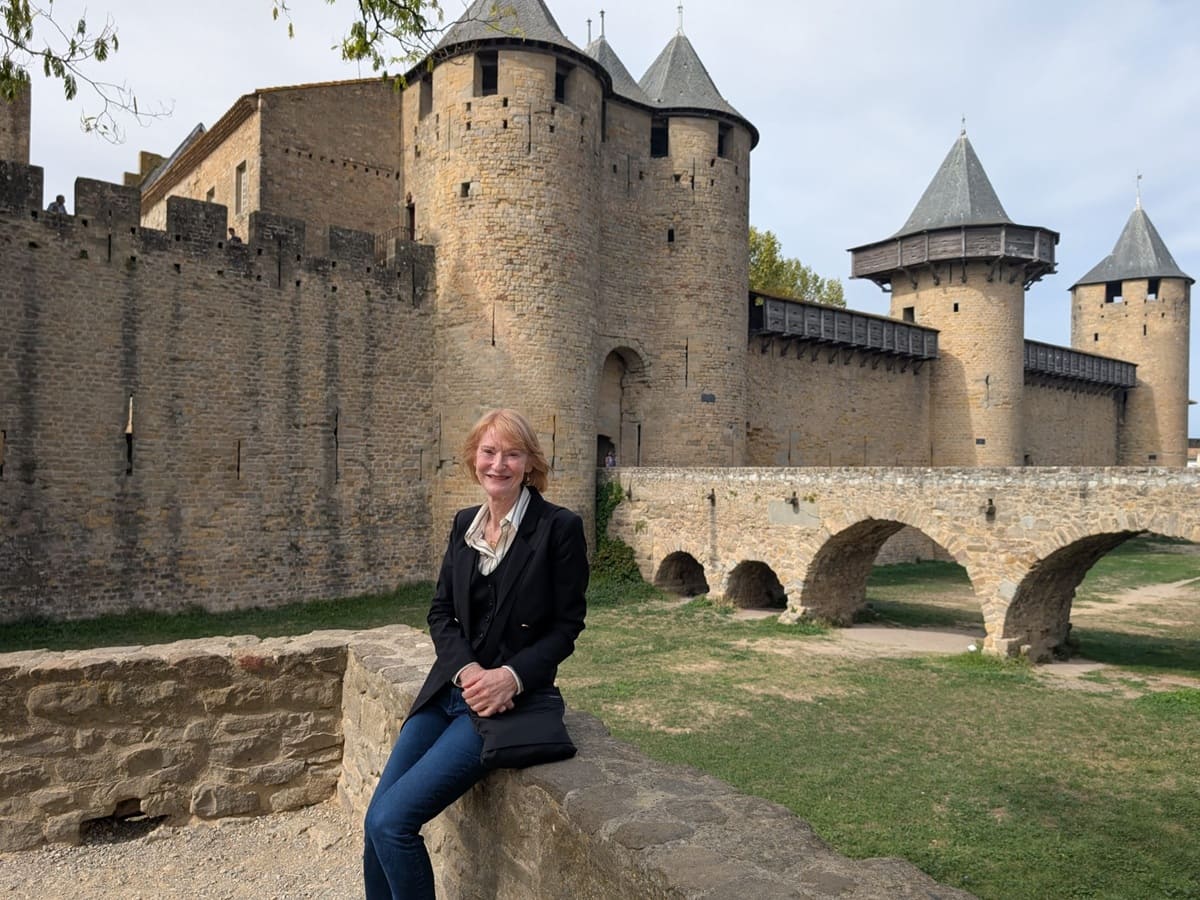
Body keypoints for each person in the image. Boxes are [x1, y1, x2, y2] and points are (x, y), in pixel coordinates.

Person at [363, 408, 588, 900]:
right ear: (473, 459)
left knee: (392, 823)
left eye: (512, 453)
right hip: (451, 690)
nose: (498, 464)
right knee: (376, 823)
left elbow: (567, 626)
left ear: (530, 462)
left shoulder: (558, 529)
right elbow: (441, 611)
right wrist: (466, 669)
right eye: (489, 452)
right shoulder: (465, 523)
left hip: (504, 706)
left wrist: (510, 676)